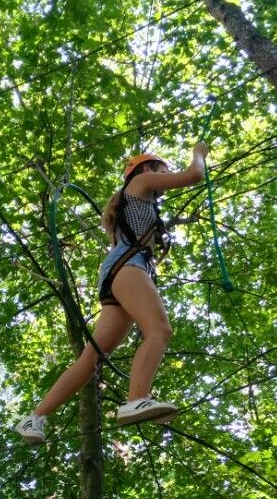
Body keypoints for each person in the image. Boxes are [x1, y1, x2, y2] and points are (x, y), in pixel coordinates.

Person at [14, 142, 209, 443]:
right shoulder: (140, 182)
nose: (165, 177)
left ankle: (35, 417)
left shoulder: (135, 205)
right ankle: (136, 399)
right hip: (128, 267)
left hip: (119, 271)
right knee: (159, 330)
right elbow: (195, 175)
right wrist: (199, 154)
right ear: (146, 169)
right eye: (163, 170)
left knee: (91, 358)